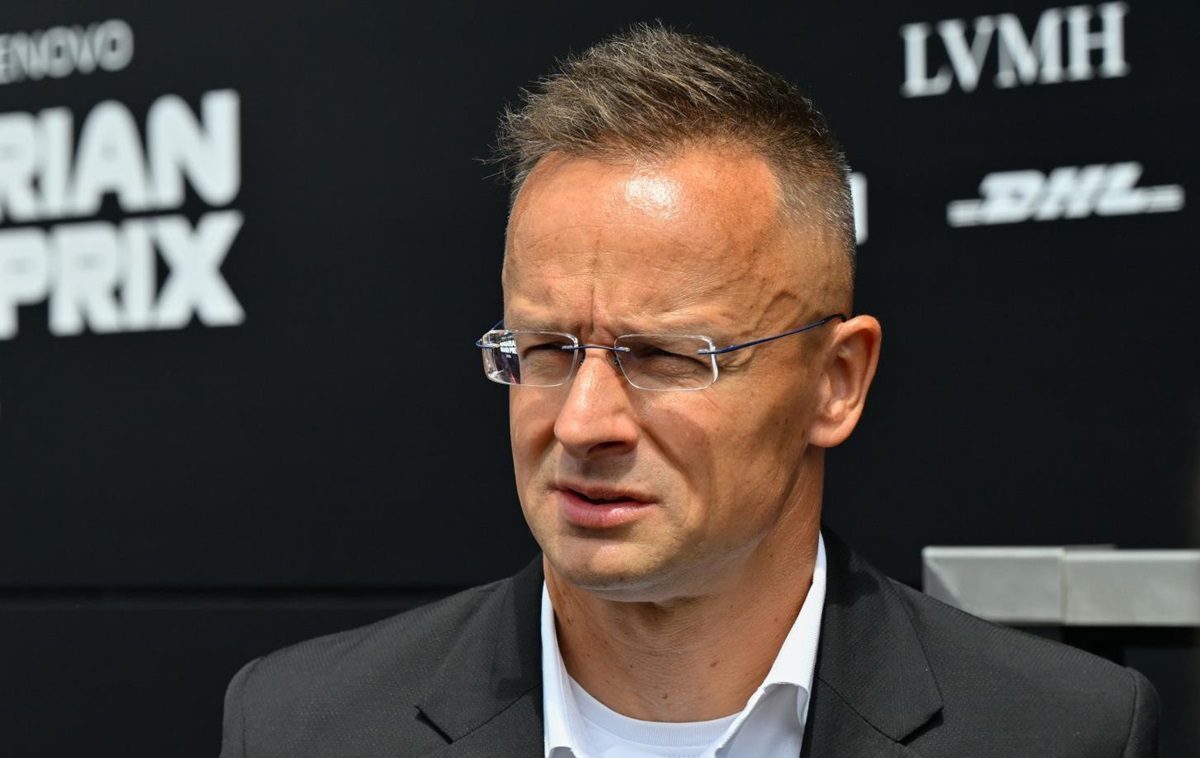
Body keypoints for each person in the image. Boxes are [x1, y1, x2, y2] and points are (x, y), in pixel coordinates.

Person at [219, 25, 1159, 758]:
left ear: (836, 382)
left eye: (667, 356)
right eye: (545, 349)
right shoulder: (304, 727)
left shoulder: (1062, 733)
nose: (582, 423)